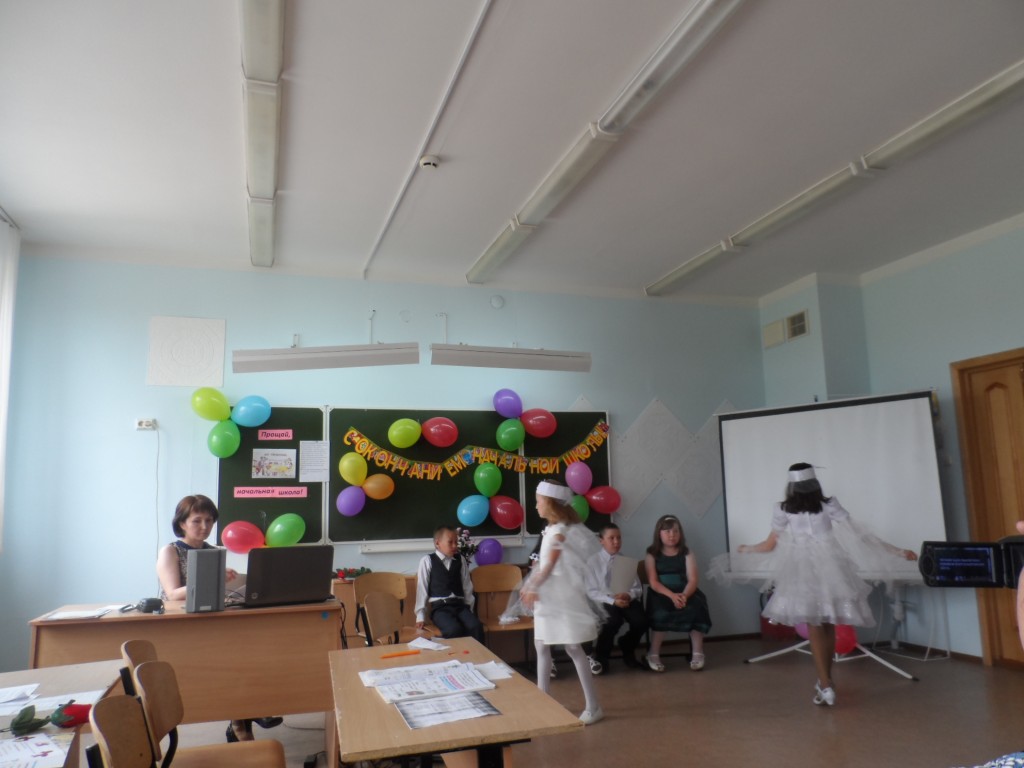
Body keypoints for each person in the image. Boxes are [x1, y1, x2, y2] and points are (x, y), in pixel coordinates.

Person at [735, 463, 917, 707]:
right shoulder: (828, 504)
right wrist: (896, 551)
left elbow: (769, 545)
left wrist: (746, 549)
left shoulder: (783, 509)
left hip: (802, 569)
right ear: (815, 484)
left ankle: (825, 683)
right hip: (832, 567)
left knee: (815, 625)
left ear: (791, 486)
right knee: (828, 623)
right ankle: (825, 681)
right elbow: (860, 534)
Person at [155, 494, 282, 743]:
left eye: (209, 521)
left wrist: (234, 583)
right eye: (197, 521)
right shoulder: (170, 551)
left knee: (251, 650)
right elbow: (172, 594)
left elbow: (215, 593)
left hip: (211, 620)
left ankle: (245, 715)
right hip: (181, 625)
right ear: (181, 523)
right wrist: (212, 577)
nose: (205, 527)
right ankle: (243, 718)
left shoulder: (213, 551)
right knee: (234, 659)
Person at [520, 480, 604, 725]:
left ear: (550, 503)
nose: (535, 506)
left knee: (573, 648)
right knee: (541, 645)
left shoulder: (559, 531)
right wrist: (531, 583)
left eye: (538, 501)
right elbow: (542, 563)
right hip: (548, 597)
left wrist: (533, 585)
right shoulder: (552, 529)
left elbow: (550, 564)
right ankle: (543, 701)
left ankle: (594, 706)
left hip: (560, 598)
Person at [644, 514, 712, 672]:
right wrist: (672, 596)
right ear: (659, 533)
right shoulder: (651, 553)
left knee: (697, 607)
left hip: (685, 591)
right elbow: (653, 582)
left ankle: (697, 653)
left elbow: (693, 579)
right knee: (660, 611)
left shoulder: (687, 552)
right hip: (662, 593)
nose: (672, 535)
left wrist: (684, 596)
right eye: (667, 531)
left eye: (675, 531)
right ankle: (653, 653)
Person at [584, 522, 648, 674]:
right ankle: (602, 656)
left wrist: (628, 595)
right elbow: (591, 591)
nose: (616, 542)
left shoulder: (625, 560)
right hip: (604, 600)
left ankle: (627, 646)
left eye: (619, 538)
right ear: (601, 540)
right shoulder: (593, 561)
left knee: (641, 621)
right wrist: (613, 601)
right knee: (612, 621)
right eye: (611, 538)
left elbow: (637, 588)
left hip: (624, 598)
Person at [414, 525, 484, 642]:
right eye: (450, 542)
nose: (455, 546)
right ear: (437, 543)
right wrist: (420, 616)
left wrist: (470, 610)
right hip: (440, 609)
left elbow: (467, 586)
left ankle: (478, 654)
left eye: (456, 542)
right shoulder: (427, 561)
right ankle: (456, 654)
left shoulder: (460, 559)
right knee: (453, 629)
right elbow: (422, 589)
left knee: (475, 626)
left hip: (460, 606)